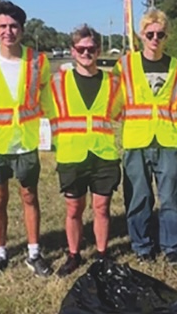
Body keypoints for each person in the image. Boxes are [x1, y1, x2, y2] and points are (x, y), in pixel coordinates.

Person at [0, 0, 53, 280]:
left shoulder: (39, 61)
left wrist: (51, 132)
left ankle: (34, 253)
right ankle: (0, 254)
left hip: (27, 142)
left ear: (22, 30)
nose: (8, 31)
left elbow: (47, 100)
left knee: (30, 196)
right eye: (2, 26)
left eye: (13, 26)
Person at [114, 10, 177, 262]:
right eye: (150, 34)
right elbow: (111, 98)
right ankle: (142, 247)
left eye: (160, 34)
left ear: (167, 36)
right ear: (141, 35)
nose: (155, 39)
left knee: (171, 197)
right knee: (139, 197)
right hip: (136, 140)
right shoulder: (125, 65)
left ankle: (172, 247)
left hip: (167, 140)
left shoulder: (176, 67)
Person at [49, 25, 123, 277]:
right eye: (81, 49)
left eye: (91, 49)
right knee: (74, 209)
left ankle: (102, 254)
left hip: (103, 154)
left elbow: (126, 110)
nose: (86, 53)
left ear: (98, 50)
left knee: (101, 207)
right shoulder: (57, 82)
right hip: (71, 154)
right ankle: (74, 255)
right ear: (73, 51)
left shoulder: (113, 83)